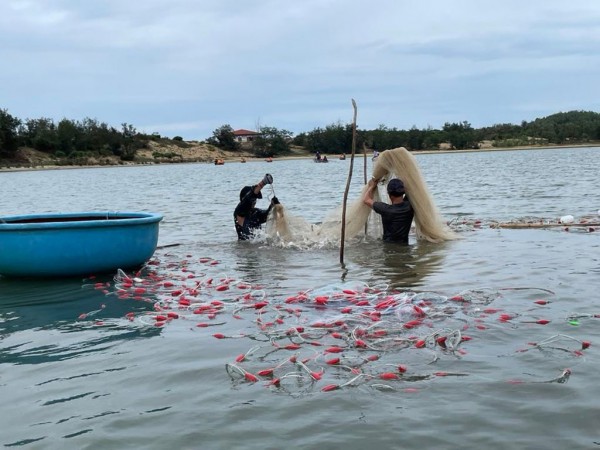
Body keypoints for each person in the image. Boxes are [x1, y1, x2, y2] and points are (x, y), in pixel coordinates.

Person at [363, 177, 414, 243]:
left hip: (388, 249)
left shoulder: (385, 209)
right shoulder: (410, 207)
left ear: (389, 195)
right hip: (405, 247)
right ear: (403, 192)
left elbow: (366, 199)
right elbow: (411, 189)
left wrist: (372, 186)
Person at [234, 173, 279, 240]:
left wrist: (272, 205)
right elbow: (248, 199)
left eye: (255, 200)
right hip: (245, 248)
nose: (254, 201)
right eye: (253, 200)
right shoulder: (239, 212)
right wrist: (263, 183)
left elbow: (267, 215)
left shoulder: (255, 212)